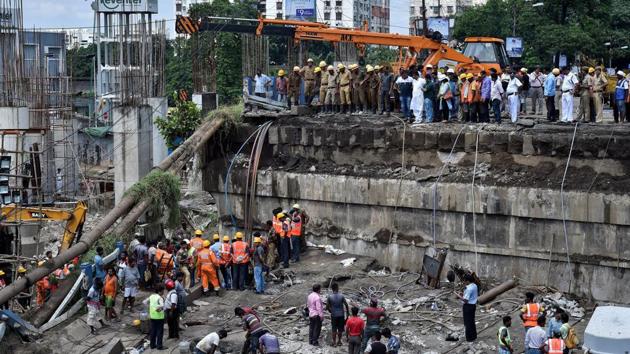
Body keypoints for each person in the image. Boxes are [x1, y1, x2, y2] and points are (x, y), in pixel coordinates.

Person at [455, 273, 478, 342]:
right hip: (473, 306)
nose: (464, 282)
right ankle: (474, 336)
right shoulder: (474, 285)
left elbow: (465, 300)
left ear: (468, 281)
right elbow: (470, 295)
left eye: (465, 281)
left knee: (467, 323)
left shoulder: (469, 288)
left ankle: (469, 339)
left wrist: (457, 295)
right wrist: (463, 294)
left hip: (468, 306)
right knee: (472, 321)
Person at [326, 282, 349, 346]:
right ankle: (339, 341)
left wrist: (330, 311)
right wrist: (348, 314)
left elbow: (327, 307)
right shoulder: (341, 296)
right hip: (341, 315)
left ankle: (334, 342)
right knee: (340, 329)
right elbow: (346, 305)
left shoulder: (330, 297)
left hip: (334, 315)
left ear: (332, 289)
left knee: (334, 329)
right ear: (337, 288)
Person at [147, 283, 166, 350]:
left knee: (153, 331)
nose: (163, 292)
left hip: (152, 316)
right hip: (159, 317)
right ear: (160, 291)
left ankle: (152, 345)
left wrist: (150, 309)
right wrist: (160, 309)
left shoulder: (151, 296)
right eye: (163, 291)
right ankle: (159, 346)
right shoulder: (160, 298)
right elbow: (160, 308)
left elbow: (145, 302)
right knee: (159, 332)